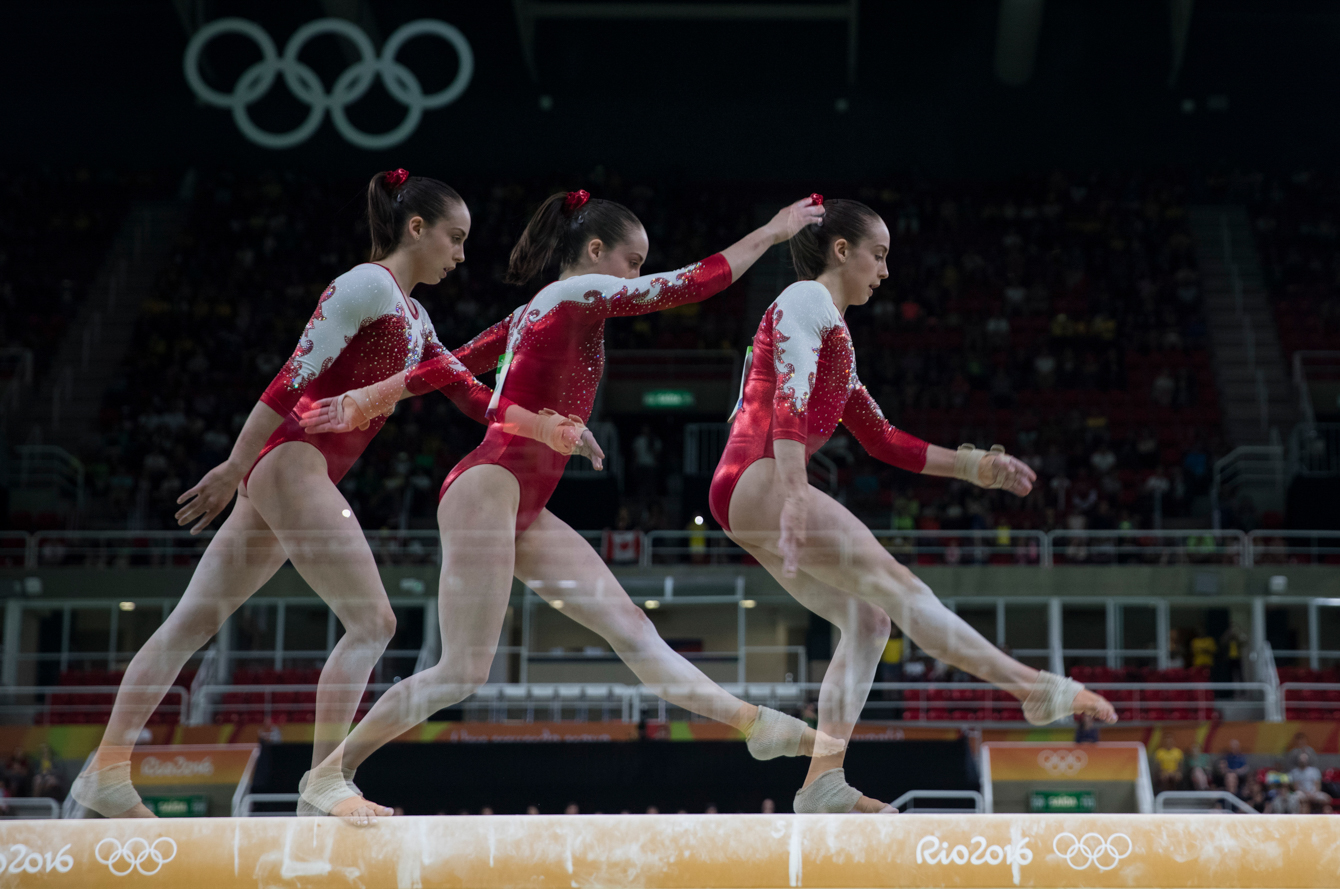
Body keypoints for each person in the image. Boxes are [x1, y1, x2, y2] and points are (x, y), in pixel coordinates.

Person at [299, 191, 841, 820]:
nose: (636, 278)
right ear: (593, 253)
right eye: (631, 262)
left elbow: (454, 365)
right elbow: (691, 284)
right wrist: (773, 231)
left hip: (521, 503)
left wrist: (371, 396)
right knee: (463, 671)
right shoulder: (569, 296)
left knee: (632, 627)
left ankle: (754, 725)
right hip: (488, 487)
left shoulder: (540, 311)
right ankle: (328, 776)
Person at [70, 170, 582, 820]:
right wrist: (233, 463)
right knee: (374, 621)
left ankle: (107, 769)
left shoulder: (416, 317)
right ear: (415, 228)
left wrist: (547, 424)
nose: (460, 255)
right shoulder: (365, 285)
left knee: (194, 621)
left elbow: (470, 394)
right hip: (291, 463)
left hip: (291, 473)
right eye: (454, 238)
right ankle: (324, 778)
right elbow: (294, 375)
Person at [709, 198, 1116, 814]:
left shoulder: (836, 339)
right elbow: (787, 397)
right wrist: (794, 492)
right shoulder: (806, 301)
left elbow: (883, 439)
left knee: (871, 619)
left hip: (751, 489)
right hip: (761, 478)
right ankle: (1031, 687)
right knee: (897, 584)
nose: (886, 270)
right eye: (880, 254)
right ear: (841, 251)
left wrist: (974, 465)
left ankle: (822, 780)